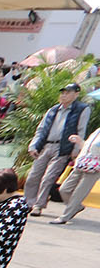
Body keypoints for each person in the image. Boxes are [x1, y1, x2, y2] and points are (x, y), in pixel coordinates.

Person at [24, 82, 89, 215]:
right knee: (33, 176)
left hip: (62, 148)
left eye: (68, 92)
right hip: (46, 145)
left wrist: (76, 149)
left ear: (76, 94)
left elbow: (81, 130)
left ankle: (38, 205)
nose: (64, 95)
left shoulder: (81, 109)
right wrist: (34, 145)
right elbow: (41, 129)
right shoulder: (53, 110)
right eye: (63, 92)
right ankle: (28, 203)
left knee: (48, 178)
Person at [53, 140, 100, 224]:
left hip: (95, 167)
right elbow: (87, 146)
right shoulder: (97, 132)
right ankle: (77, 207)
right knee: (64, 189)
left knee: (79, 193)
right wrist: (79, 141)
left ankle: (65, 217)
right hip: (81, 164)